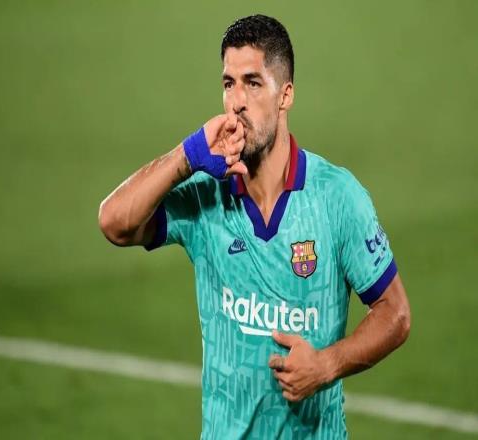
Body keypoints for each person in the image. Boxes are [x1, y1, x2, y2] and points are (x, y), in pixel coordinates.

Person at [99, 14, 411, 439]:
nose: (237, 102)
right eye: (229, 84)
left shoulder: (337, 197)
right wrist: (187, 156)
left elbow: (395, 313)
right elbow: (114, 223)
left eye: (253, 83)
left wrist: (326, 365)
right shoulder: (206, 193)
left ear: (286, 95)